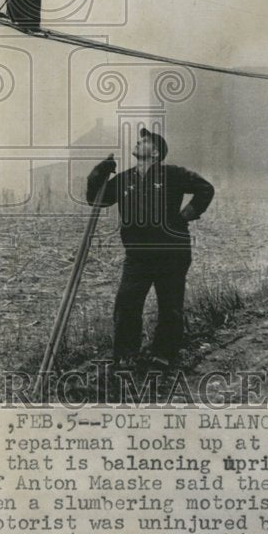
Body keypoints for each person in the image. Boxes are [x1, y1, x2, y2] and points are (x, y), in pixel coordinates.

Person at [87, 128, 214, 369]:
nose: (138, 142)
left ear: (155, 152)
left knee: (170, 307)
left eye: (144, 141)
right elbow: (96, 199)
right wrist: (98, 174)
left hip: (172, 253)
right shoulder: (124, 179)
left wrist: (186, 215)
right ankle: (126, 355)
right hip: (138, 257)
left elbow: (205, 189)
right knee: (126, 305)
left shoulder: (174, 174)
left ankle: (163, 355)